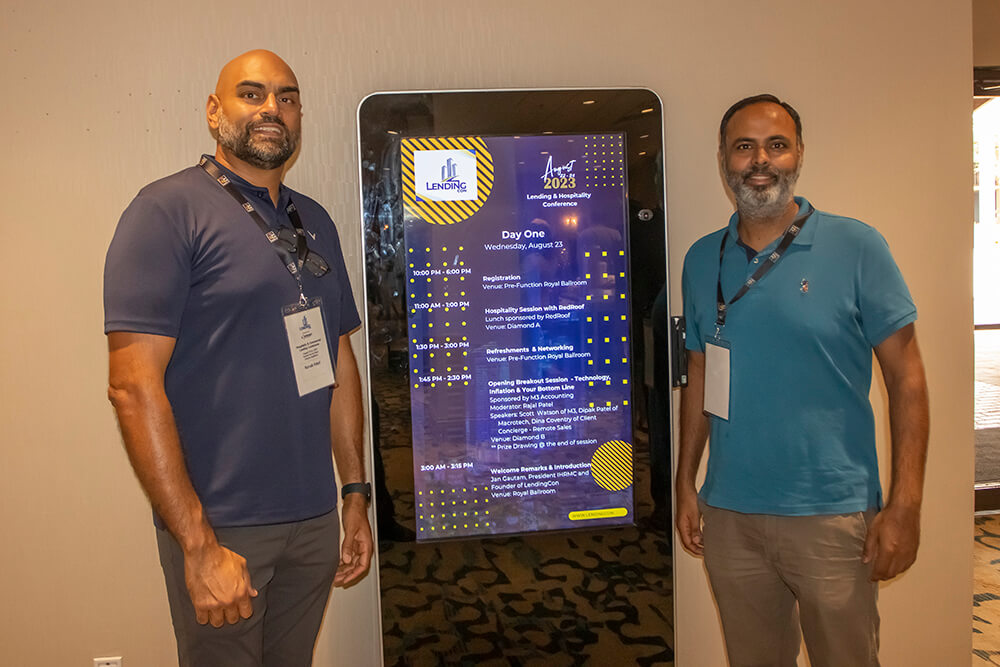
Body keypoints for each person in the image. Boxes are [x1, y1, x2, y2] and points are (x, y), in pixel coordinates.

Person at [104, 50, 373, 666]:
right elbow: (131, 386)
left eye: (287, 97)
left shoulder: (314, 220)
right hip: (222, 527)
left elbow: (338, 359)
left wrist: (354, 494)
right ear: (213, 111)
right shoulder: (166, 210)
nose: (272, 108)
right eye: (251, 94)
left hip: (314, 521)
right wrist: (197, 544)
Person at [675, 94, 929, 667]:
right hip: (731, 515)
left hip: (831, 515)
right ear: (723, 158)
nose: (760, 160)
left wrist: (906, 505)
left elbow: (907, 379)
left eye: (777, 145)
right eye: (744, 147)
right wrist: (686, 482)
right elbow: (700, 371)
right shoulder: (701, 258)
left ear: (799, 155)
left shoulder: (857, 247)